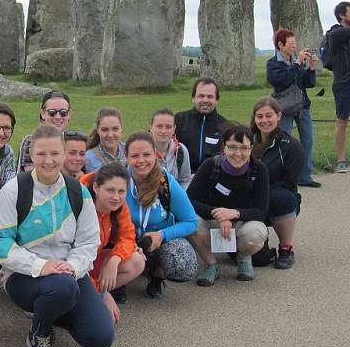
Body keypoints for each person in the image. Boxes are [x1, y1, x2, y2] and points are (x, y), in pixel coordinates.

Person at [0, 125, 113, 347]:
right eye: (41, 154)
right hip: (23, 276)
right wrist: (41, 265)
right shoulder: (14, 190)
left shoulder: (78, 192)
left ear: (64, 154)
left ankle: (51, 308)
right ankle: (39, 334)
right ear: (31, 155)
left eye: (55, 153)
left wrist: (71, 267)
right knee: (61, 288)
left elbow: (89, 242)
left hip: (68, 273)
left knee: (100, 338)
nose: (48, 161)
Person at [187, 124, 270, 286]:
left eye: (244, 148)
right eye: (232, 147)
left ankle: (243, 257)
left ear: (251, 149)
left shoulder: (259, 170)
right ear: (224, 147)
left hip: (241, 222)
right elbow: (189, 201)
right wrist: (218, 214)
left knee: (258, 234)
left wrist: (235, 213)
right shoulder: (210, 165)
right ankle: (211, 264)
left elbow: (261, 211)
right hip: (211, 221)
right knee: (191, 222)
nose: (238, 154)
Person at [123, 132, 199, 299]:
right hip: (123, 240)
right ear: (126, 157)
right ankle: (118, 283)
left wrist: (162, 235)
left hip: (157, 241)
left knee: (183, 265)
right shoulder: (118, 179)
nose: (141, 160)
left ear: (155, 154)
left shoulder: (166, 181)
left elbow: (192, 221)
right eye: (134, 156)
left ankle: (155, 273)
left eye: (147, 154)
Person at [80, 163, 146, 311]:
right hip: (73, 267)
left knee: (136, 261)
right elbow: (69, 258)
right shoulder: (79, 205)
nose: (116, 197)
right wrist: (103, 295)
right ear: (96, 188)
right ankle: (92, 295)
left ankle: (94, 294)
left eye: (121, 191)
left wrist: (114, 260)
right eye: (110, 190)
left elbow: (128, 235)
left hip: (92, 261)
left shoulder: (119, 206)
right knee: (100, 331)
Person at [251, 97, 304, 269]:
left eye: (269, 115)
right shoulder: (245, 141)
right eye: (260, 116)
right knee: (258, 260)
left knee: (283, 198)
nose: (264, 120)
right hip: (245, 200)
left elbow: (289, 183)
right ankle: (259, 247)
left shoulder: (292, 146)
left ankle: (286, 248)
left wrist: (260, 193)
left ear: (279, 116)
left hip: (275, 198)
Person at [266, 28, 320, 188]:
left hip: (302, 105)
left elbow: (308, 84)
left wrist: (311, 68)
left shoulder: (298, 62)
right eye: (290, 44)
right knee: (284, 140)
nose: (294, 47)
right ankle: (284, 176)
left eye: (294, 43)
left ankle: (305, 176)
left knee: (307, 140)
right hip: (285, 106)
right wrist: (297, 64)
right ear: (280, 45)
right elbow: (282, 80)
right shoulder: (273, 63)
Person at [174, 77, 228, 172]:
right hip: (182, 177)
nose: (205, 100)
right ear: (193, 98)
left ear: (217, 100)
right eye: (201, 96)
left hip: (211, 178)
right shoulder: (178, 120)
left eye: (210, 96)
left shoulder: (225, 126)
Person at [17, 90, 73, 173]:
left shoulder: (74, 141)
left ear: (70, 114)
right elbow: (31, 175)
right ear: (42, 113)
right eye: (52, 113)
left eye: (63, 113)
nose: (58, 117)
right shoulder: (31, 141)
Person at [326, 1, 350, 173]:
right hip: (343, 83)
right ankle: (341, 160)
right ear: (342, 15)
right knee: (342, 122)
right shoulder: (335, 34)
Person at [149, 108, 192, 189]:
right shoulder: (142, 151)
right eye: (159, 126)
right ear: (151, 128)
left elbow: (185, 180)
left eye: (168, 127)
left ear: (174, 129)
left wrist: (180, 198)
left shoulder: (181, 150)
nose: (164, 131)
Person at [83, 107, 126, 173]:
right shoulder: (88, 158)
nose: (110, 135)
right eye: (105, 130)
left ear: (121, 129)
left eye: (115, 129)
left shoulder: (129, 151)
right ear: (98, 130)